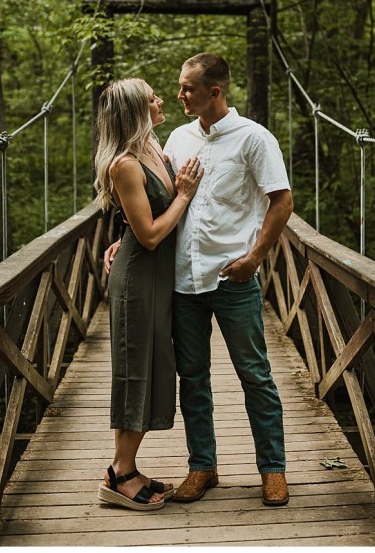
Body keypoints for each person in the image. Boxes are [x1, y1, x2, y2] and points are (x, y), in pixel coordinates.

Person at [106, 54, 294, 507]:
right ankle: (202, 466)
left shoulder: (254, 138)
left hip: (232, 278)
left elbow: (282, 201)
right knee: (192, 378)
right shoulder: (176, 137)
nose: (179, 95)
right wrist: (122, 238)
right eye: (177, 86)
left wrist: (254, 257)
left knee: (255, 376)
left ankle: (273, 470)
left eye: (188, 88)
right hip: (181, 282)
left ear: (215, 92)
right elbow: (151, 198)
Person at [93, 78, 204, 511]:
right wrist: (184, 194)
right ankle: (120, 475)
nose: (161, 101)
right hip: (139, 280)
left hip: (158, 279)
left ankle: (126, 467)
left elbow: (144, 221)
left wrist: (126, 234)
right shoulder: (124, 164)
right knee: (134, 369)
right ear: (136, 111)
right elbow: (154, 235)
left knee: (155, 367)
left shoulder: (154, 151)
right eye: (152, 97)